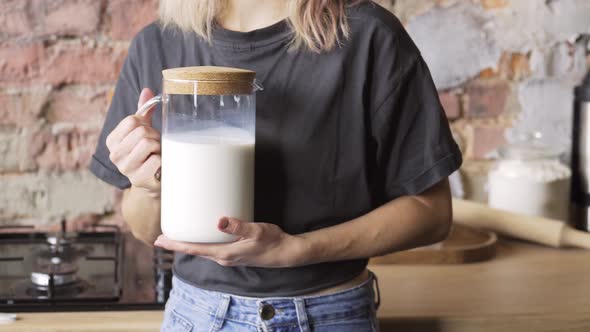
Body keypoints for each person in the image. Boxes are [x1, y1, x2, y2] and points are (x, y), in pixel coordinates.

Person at [90, 0, 462, 331]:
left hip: (330, 314)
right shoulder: (158, 42)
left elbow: (432, 213)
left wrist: (297, 250)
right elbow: (145, 228)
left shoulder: (368, 36)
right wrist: (147, 186)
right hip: (196, 314)